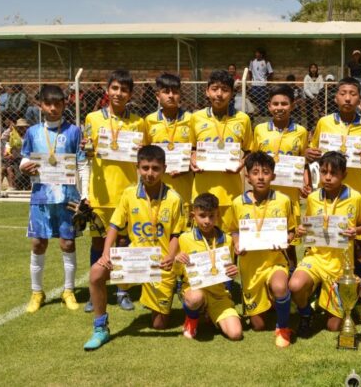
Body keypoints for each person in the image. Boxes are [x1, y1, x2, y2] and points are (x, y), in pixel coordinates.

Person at [83, 145, 184, 350]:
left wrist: (171, 256)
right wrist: (106, 253)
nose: (150, 173)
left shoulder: (174, 198)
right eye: (145, 167)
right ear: (137, 167)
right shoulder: (129, 194)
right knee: (96, 272)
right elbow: (114, 225)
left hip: (159, 264)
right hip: (135, 259)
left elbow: (176, 234)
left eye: (155, 168)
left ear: (164, 168)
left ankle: (163, 294)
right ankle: (100, 327)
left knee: (159, 325)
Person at [82, 70, 147, 312]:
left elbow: (146, 156)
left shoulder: (138, 122)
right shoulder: (92, 118)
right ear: (107, 90)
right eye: (115, 88)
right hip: (100, 193)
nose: (119, 94)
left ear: (130, 94)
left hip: (127, 193)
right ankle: (95, 292)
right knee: (98, 243)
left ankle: (122, 290)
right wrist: (86, 149)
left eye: (124, 90)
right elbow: (86, 153)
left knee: (122, 243)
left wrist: (141, 149)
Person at [19, 85, 86, 313]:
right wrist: (24, 168)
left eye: (58, 104)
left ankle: (69, 290)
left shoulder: (74, 132)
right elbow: (24, 159)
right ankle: (37, 292)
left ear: (64, 105)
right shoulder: (32, 132)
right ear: (41, 106)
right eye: (49, 104)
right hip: (41, 195)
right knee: (38, 243)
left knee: (67, 243)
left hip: (67, 197)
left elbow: (83, 163)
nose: (53, 108)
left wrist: (84, 194)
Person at [306, 77, 361, 277]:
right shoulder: (324, 122)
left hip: (354, 190)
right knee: (324, 234)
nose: (347, 98)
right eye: (343, 93)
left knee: (356, 240)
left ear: (360, 99)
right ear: (336, 98)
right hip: (327, 191)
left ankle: (357, 286)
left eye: (353, 94)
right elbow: (314, 153)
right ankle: (322, 278)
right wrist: (309, 154)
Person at [290, 151, 361, 336]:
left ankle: (344, 301)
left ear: (344, 174)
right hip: (316, 257)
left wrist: (354, 232)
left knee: (333, 327)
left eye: (333, 173)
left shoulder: (355, 197)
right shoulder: (313, 197)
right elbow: (308, 225)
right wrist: (301, 230)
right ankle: (306, 314)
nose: (327, 177)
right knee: (295, 285)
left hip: (341, 263)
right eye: (324, 172)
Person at [223, 152, 295, 347]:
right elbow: (232, 230)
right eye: (255, 172)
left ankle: (283, 326)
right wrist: (237, 242)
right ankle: (270, 301)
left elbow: (291, 232)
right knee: (258, 325)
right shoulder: (238, 203)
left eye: (266, 172)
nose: (260, 177)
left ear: (273, 175)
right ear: (247, 177)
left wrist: (285, 240)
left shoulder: (283, 201)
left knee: (280, 286)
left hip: (274, 262)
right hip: (251, 267)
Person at [252, 84, 309, 269]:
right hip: (265, 194)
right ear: (269, 106)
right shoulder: (260, 129)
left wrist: (305, 183)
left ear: (292, 106)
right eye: (275, 103)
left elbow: (303, 162)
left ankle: (291, 275)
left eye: (284, 103)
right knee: (265, 237)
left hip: (290, 195)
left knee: (290, 241)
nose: (279, 107)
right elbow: (254, 160)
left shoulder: (300, 131)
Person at [176, 193, 242, 341]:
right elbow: (176, 273)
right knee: (195, 298)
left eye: (211, 216)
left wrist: (232, 272)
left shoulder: (228, 240)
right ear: (193, 216)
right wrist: (177, 260)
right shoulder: (184, 239)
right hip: (195, 289)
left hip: (219, 294)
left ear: (217, 215)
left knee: (236, 334)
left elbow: (228, 270)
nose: (207, 221)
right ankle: (192, 319)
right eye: (202, 216)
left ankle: (208, 315)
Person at [189, 70, 253, 222]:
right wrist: (192, 158)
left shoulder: (243, 119)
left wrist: (241, 164)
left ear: (231, 93)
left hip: (231, 193)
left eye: (225, 90)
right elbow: (192, 148)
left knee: (230, 240)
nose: (219, 94)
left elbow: (249, 151)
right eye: (215, 89)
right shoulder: (196, 117)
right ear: (207, 91)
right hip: (202, 191)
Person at [145, 73, 193, 230]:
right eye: (166, 91)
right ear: (157, 95)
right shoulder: (149, 121)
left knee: (184, 240)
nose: (171, 96)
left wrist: (188, 165)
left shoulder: (191, 120)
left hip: (185, 191)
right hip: (158, 192)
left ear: (180, 94)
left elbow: (198, 152)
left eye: (175, 91)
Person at [303, 63, 324, 129]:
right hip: (309, 97)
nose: (313, 69)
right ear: (309, 69)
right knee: (309, 113)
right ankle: (310, 128)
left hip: (319, 96)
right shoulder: (307, 77)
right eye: (312, 68)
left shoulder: (320, 77)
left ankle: (320, 127)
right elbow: (306, 88)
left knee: (320, 112)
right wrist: (312, 97)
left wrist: (317, 96)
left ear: (317, 69)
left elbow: (321, 86)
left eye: (315, 68)